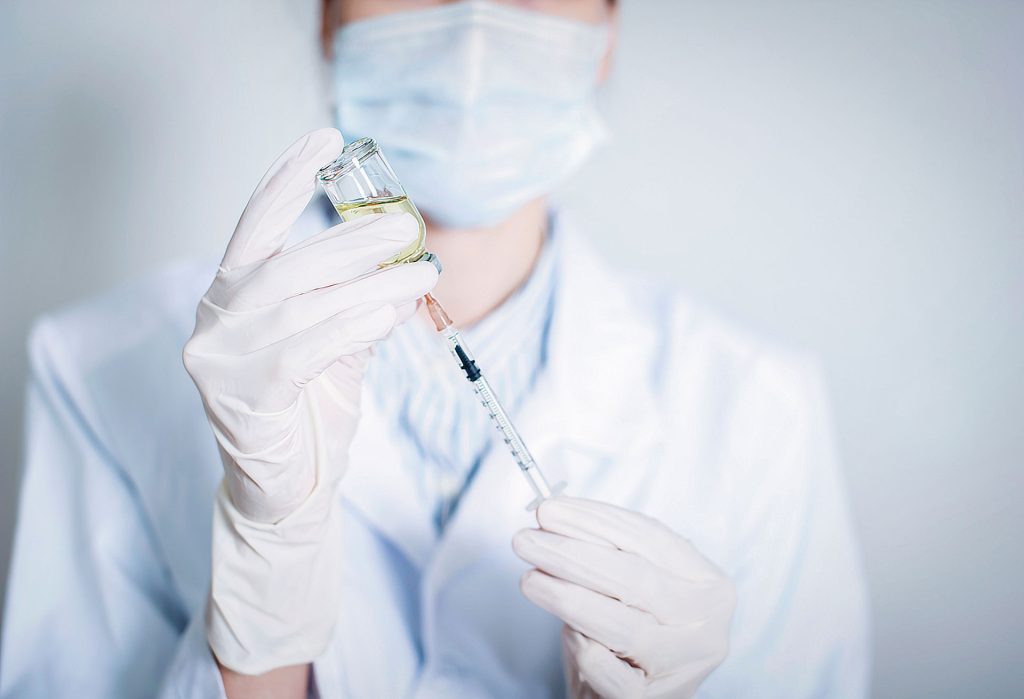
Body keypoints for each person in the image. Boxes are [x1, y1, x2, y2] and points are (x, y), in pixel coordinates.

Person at [0, 1, 869, 697]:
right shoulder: (97, 362)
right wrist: (261, 617)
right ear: (328, 22)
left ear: (607, 31)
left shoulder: (755, 402)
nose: (474, 35)